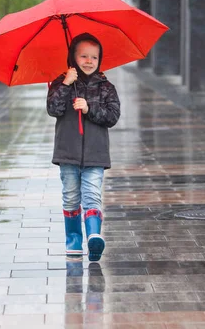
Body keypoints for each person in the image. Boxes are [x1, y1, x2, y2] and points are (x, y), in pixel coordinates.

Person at [47, 32, 121, 262]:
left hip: (95, 153)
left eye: (94, 57)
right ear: (73, 58)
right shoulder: (62, 82)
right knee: (70, 197)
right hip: (67, 152)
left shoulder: (106, 87)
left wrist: (90, 109)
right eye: (83, 56)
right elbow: (53, 109)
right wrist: (66, 84)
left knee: (91, 196)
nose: (89, 61)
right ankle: (73, 239)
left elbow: (112, 116)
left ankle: (94, 236)